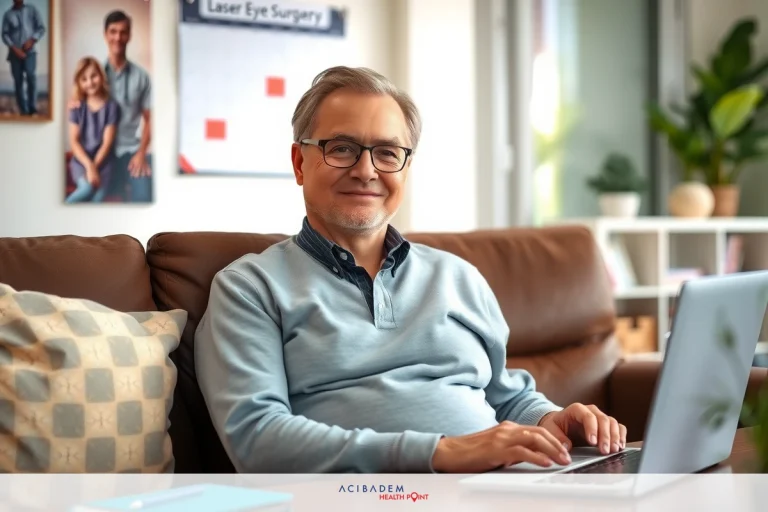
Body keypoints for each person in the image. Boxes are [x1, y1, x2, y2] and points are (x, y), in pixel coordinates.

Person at [195, 66, 628, 473]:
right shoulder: (249, 288)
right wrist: (439, 453)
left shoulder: (458, 277)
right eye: (342, 148)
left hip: (504, 484)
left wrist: (551, 417)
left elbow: (504, 394)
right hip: (374, 495)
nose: (366, 170)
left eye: (387, 153)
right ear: (299, 162)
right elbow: (258, 438)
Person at [100, 9, 151, 203]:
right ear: (105, 35)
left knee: (143, 196)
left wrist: (141, 154)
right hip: (103, 152)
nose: (118, 37)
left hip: (132, 152)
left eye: (123, 32)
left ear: (129, 35)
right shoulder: (95, 75)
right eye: (113, 31)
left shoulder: (142, 76)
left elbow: (150, 119)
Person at [65, 57, 119, 204]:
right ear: (79, 83)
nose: (90, 82)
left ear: (101, 76)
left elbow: (107, 144)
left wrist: (95, 167)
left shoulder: (111, 107)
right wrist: (89, 166)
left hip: (104, 164)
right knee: (87, 189)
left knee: (97, 200)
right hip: (82, 162)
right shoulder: (77, 107)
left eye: (93, 76)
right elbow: (74, 141)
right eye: (84, 79)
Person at [1, 0, 46, 116]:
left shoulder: (32, 10)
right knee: (18, 81)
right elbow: (4, 34)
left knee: (31, 76)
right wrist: (15, 49)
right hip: (14, 54)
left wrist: (32, 40)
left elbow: (41, 28)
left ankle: (32, 108)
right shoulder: (7, 15)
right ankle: (24, 110)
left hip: (30, 52)